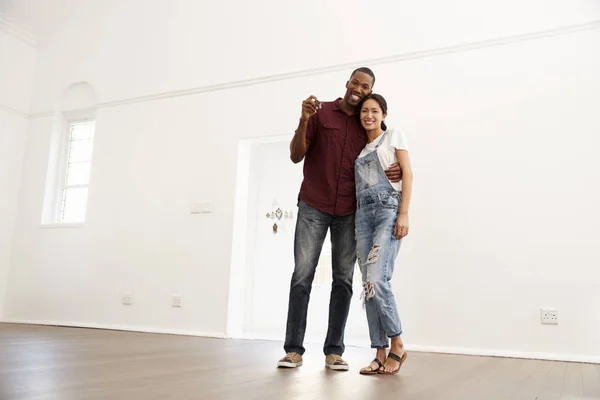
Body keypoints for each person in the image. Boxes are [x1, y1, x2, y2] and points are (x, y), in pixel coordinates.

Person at [277, 68, 402, 371]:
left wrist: (392, 170)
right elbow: (296, 155)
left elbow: (380, 155)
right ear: (347, 84)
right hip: (313, 206)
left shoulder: (366, 123)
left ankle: (334, 350)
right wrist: (304, 119)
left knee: (343, 281)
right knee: (302, 276)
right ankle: (293, 350)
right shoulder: (320, 114)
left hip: (350, 212)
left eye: (366, 86)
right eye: (356, 83)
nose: (359, 88)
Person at [354, 94, 413, 376]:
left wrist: (404, 213)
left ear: (383, 114)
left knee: (378, 278)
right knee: (368, 285)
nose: (368, 115)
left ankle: (397, 343)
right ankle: (378, 351)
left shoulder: (393, 136)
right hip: (362, 217)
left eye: (374, 111)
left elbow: (409, 175)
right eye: (364, 111)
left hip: (388, 211)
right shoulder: (360, 149)